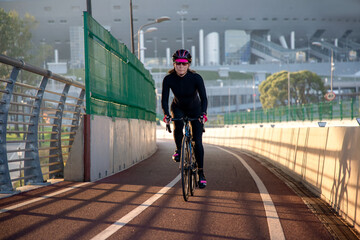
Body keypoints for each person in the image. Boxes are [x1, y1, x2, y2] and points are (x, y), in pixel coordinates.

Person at [161, 49, 208, 189]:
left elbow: (204, 98)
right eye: (178, 63)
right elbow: (164, 99)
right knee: (178, 125)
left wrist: (203, 113)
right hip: (178, 107)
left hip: (195, 108)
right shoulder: (168, 79)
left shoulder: (196, 78)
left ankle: (201, 174)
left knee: (197, 142)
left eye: (184, 63)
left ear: (188, 65)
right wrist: (166, 115)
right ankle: (178, 149)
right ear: (174, 64)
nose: (181, 66)